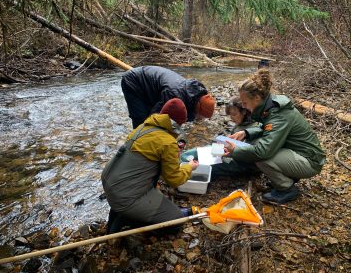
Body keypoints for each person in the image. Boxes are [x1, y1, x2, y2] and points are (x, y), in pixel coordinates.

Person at [224, 69, 326, 204]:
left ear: (257, 98)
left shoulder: (278, 114)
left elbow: (262, 152)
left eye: (245, 103)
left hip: (310, 161)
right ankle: (288, 176)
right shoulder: (271, 106)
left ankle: (287, 189)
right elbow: (267, 128)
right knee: (257, 143)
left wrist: (235, 151)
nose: (242, 106)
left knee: (261, 155)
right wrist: (246, 133)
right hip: (300, 153)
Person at [101, 98, 199, 234]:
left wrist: (175, 148)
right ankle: (127, 220)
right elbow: (174, 179)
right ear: (179, 123)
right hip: (126, 195)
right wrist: (189, 167)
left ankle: (120, 213)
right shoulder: (167, 142)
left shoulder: (142, 128)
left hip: (110, 183)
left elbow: (151, 151)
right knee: (176, 222)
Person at [180, 96, 260, 179]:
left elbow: (254, 155)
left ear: (244, 111)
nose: (231, 118)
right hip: (229, 152)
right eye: (230, 115)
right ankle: (181, 161)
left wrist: (227, 152)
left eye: (234, 114)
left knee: (206, 164)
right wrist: (223, 145)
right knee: (198, 151)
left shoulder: (255, 128)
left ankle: (183, 172)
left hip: (242, 164)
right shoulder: (239, 124)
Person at [121, 66, 215, 128]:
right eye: (201, 116)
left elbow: (187, 115)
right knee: (141, 121)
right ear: (198, 107)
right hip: (134, 81)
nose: (200, 119)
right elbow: (155, 117)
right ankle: (136, 146)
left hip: (151, 85)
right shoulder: (174, 94)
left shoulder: (197, 93)